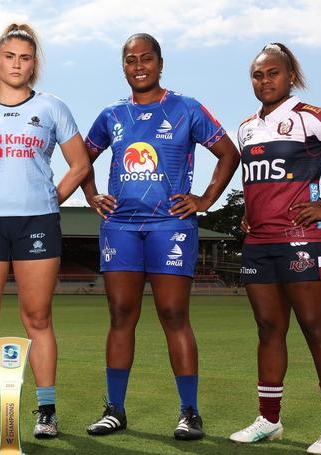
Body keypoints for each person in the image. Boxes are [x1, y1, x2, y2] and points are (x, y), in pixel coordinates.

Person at [82, 33, 239, 441]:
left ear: (160, 63)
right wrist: (92, 195)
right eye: (130, 60)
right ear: (124, 67)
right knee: (121, 315)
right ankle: (115, 409)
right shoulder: (111, 115)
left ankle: (190, 412)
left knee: (173, 315)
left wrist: (205, 198)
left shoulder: (186, 108)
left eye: (146, 58)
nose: (138, 66)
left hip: (170, 225)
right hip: (120, 226)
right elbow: (82, 156)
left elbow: (229, 153)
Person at [0, 23, 90, 440]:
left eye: (25, 58)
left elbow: (80, 164)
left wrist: (50, 197)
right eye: (9, 56)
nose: (16, 64)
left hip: (37, 223)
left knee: (38, 317)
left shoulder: (51, 107)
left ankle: (46, 411)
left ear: (34, 65)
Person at [229, 43, 321, 454]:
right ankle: (269, 420)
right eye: (257, 75)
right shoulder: (246, 128)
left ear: (290, 76)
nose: (264, 80)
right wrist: (250, 213)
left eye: (272, 73)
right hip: (258, 244)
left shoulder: (312, 118)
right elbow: (261, 181)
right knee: (269, 329)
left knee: (317, 328)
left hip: (303, 240)